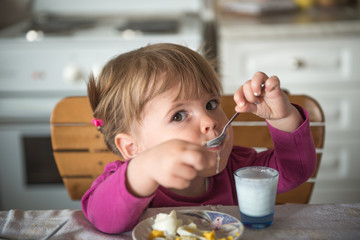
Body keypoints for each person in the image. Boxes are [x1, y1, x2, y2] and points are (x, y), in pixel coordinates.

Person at [81, 43, 316, 234]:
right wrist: (143, 169)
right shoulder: (128, 182)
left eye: (211, 104)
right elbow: (102, 219)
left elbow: (294, 171)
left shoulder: (238, 167)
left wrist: (283, 118)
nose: (210, 121)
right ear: (133, 147)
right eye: (179, 115)